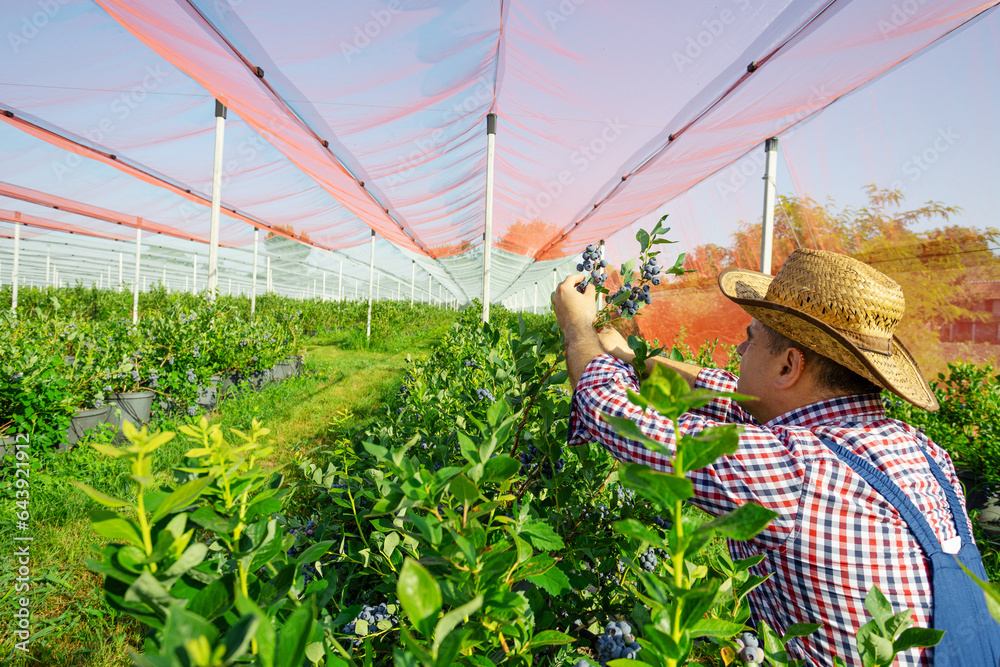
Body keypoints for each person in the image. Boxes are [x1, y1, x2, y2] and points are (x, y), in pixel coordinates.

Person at [552, 248, 1000, 666]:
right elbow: (735, 394)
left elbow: (607, 411)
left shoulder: (795, 470)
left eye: (749, 340)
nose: (740, 352)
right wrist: (630, 357)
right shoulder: (921, 450)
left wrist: (578, 329)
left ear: (788, 366)